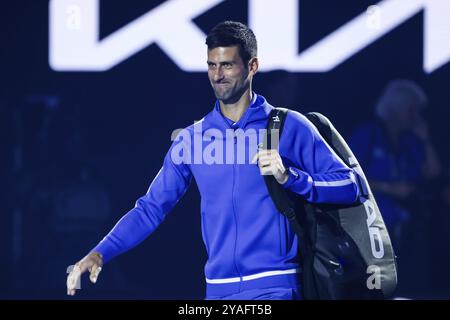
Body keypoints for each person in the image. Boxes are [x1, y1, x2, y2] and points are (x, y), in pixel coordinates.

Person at [67, 21, 360, 300]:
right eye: (212, 65)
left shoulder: (287, 126)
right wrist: (100, 252)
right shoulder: (192, 139)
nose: (218, 75)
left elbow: (350, 185)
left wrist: (292, 178)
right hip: (218, 291)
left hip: (277, 285)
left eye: (228, 65)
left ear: (252, 66)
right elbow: (150, 208)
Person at [349, 79, 441, 250]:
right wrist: (390, 188)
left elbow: (433, 172)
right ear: (394, 108)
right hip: (372, 230)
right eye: (410, 109)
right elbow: (349, 177)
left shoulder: (410, 141)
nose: (415, 116)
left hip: (407, 232)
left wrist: (425, 139)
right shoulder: (368, 136)